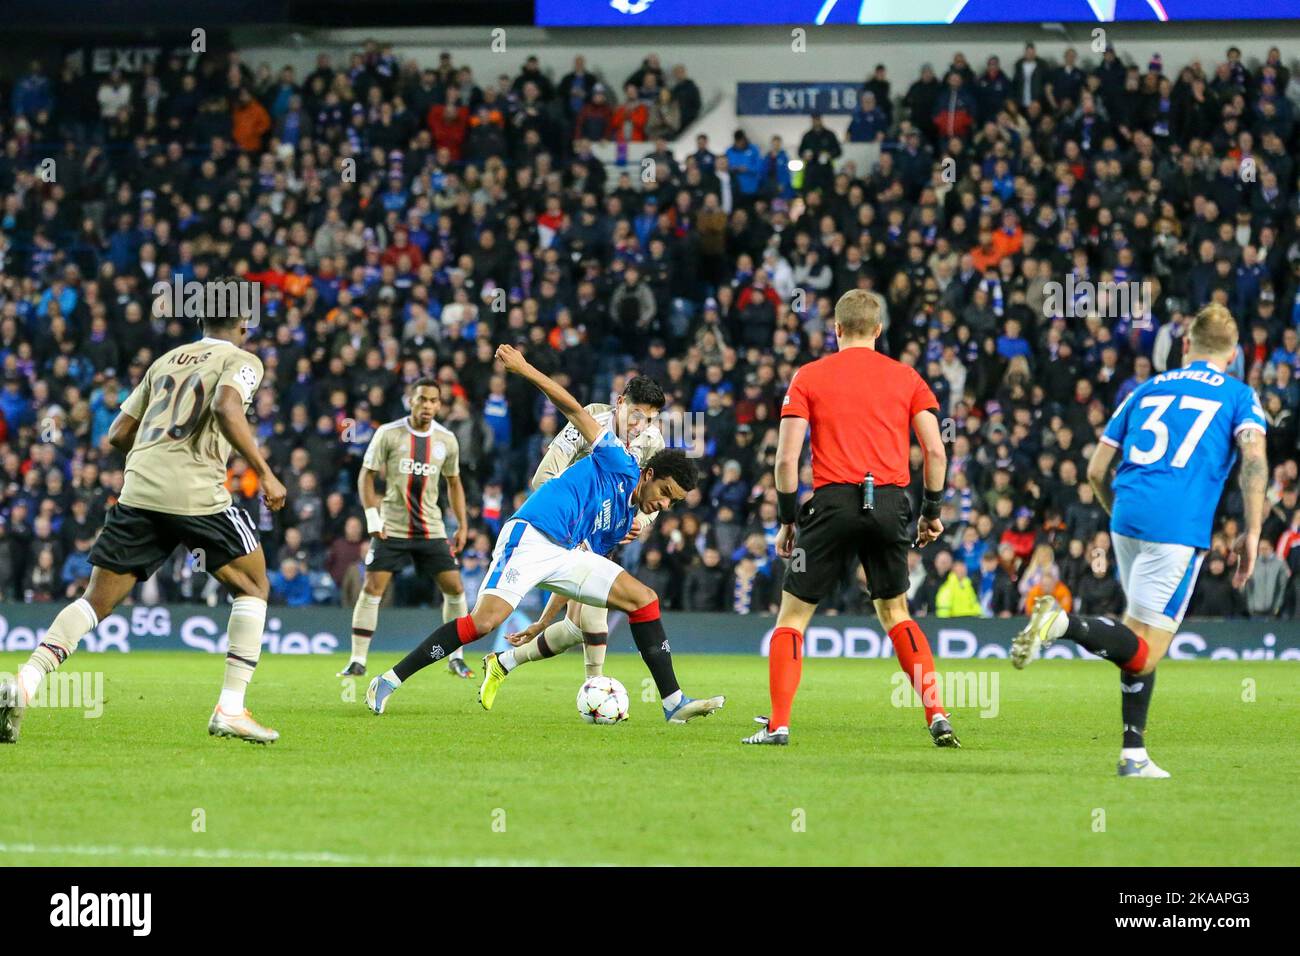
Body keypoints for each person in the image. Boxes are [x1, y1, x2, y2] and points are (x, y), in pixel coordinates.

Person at [366, 345, 724, 725]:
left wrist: (541, 622)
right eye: (665, 494)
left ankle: (672, 701)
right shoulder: (618, 458)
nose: (664, 506)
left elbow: (576, 570)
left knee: (643, 599)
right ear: (649, 475)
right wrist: (525, 369)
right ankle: (388, 679)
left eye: (674, 503)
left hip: (565, 549)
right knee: (482, 622)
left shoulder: (620, 524)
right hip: (532, 535)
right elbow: (571, 408)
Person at [0, 288, 289, 744]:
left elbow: (117, 434)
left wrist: (156, 461)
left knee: (96, 601)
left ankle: (25, 682)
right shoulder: (244, 360)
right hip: (196, 492)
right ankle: (230, 708)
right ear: (243, 327)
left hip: (139, 489)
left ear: (200, 326)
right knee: (253, 585)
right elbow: (226, 406)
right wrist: (265, 473)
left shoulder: (166, 361)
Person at [1013, 304, 1268, 778]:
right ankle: (1061, 623)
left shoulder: (1145, 389)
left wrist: (1123, 517)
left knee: (1134, 640)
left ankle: (1134, 753)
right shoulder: (1240, 395)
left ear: (1186, 345)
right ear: (1233, 355)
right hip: (1177, 526)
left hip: (1126, 516)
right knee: (1147, 650)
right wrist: (1252, 533)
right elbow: (1254, 462)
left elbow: (1094, 471)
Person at [743, 289, 958, 747]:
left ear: (836, 329)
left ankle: (779, 724)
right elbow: (936, 451)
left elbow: (785, 460)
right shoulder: (908, 378)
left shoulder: (809, 376)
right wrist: (931, 512)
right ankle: (937, 713)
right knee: (896, 610)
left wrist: (787, 519)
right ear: (878, 330)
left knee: (793, 617)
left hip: (833, 503)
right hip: (891, 503)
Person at [476, 376, 666, 707]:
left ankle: (504, 663)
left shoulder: (653, 443)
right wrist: (570, 522)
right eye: (637, 414)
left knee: (578, 627)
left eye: (649, 419)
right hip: (565, 527)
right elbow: (543, 477)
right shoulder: (591, 418)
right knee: (593, 620)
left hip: (605, 532)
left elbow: (658, 498)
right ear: (620, 403)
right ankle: (597, 697)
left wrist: (640, 520)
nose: (641, 425)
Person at [338, 379, 472, 679]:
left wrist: (462, 525)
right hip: (393, 528)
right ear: (410, 400)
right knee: (372, 589)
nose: (427, 406)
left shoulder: (447, 440)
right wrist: (372, 517)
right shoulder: (388, 433)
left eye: (434, 401)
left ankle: (457, 658)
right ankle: (357, 660)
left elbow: (454, 484)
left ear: (440, 404)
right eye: (422, 399)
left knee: (455, 589)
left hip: (431, 529)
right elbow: (366, 476)